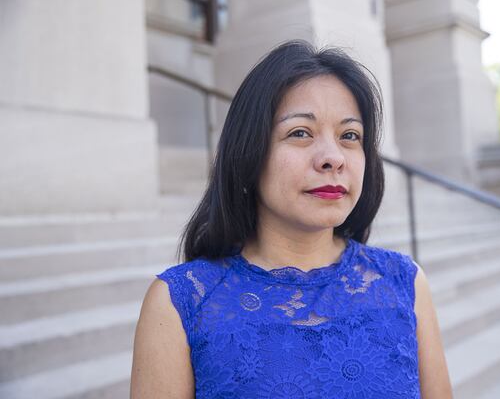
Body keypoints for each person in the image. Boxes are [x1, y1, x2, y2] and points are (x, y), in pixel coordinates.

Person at [130, 39, 452, 398]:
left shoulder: (404, 284)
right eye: (300, 133)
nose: (333, 158)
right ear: (249, 151)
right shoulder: (180, 302)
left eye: (349, 136)